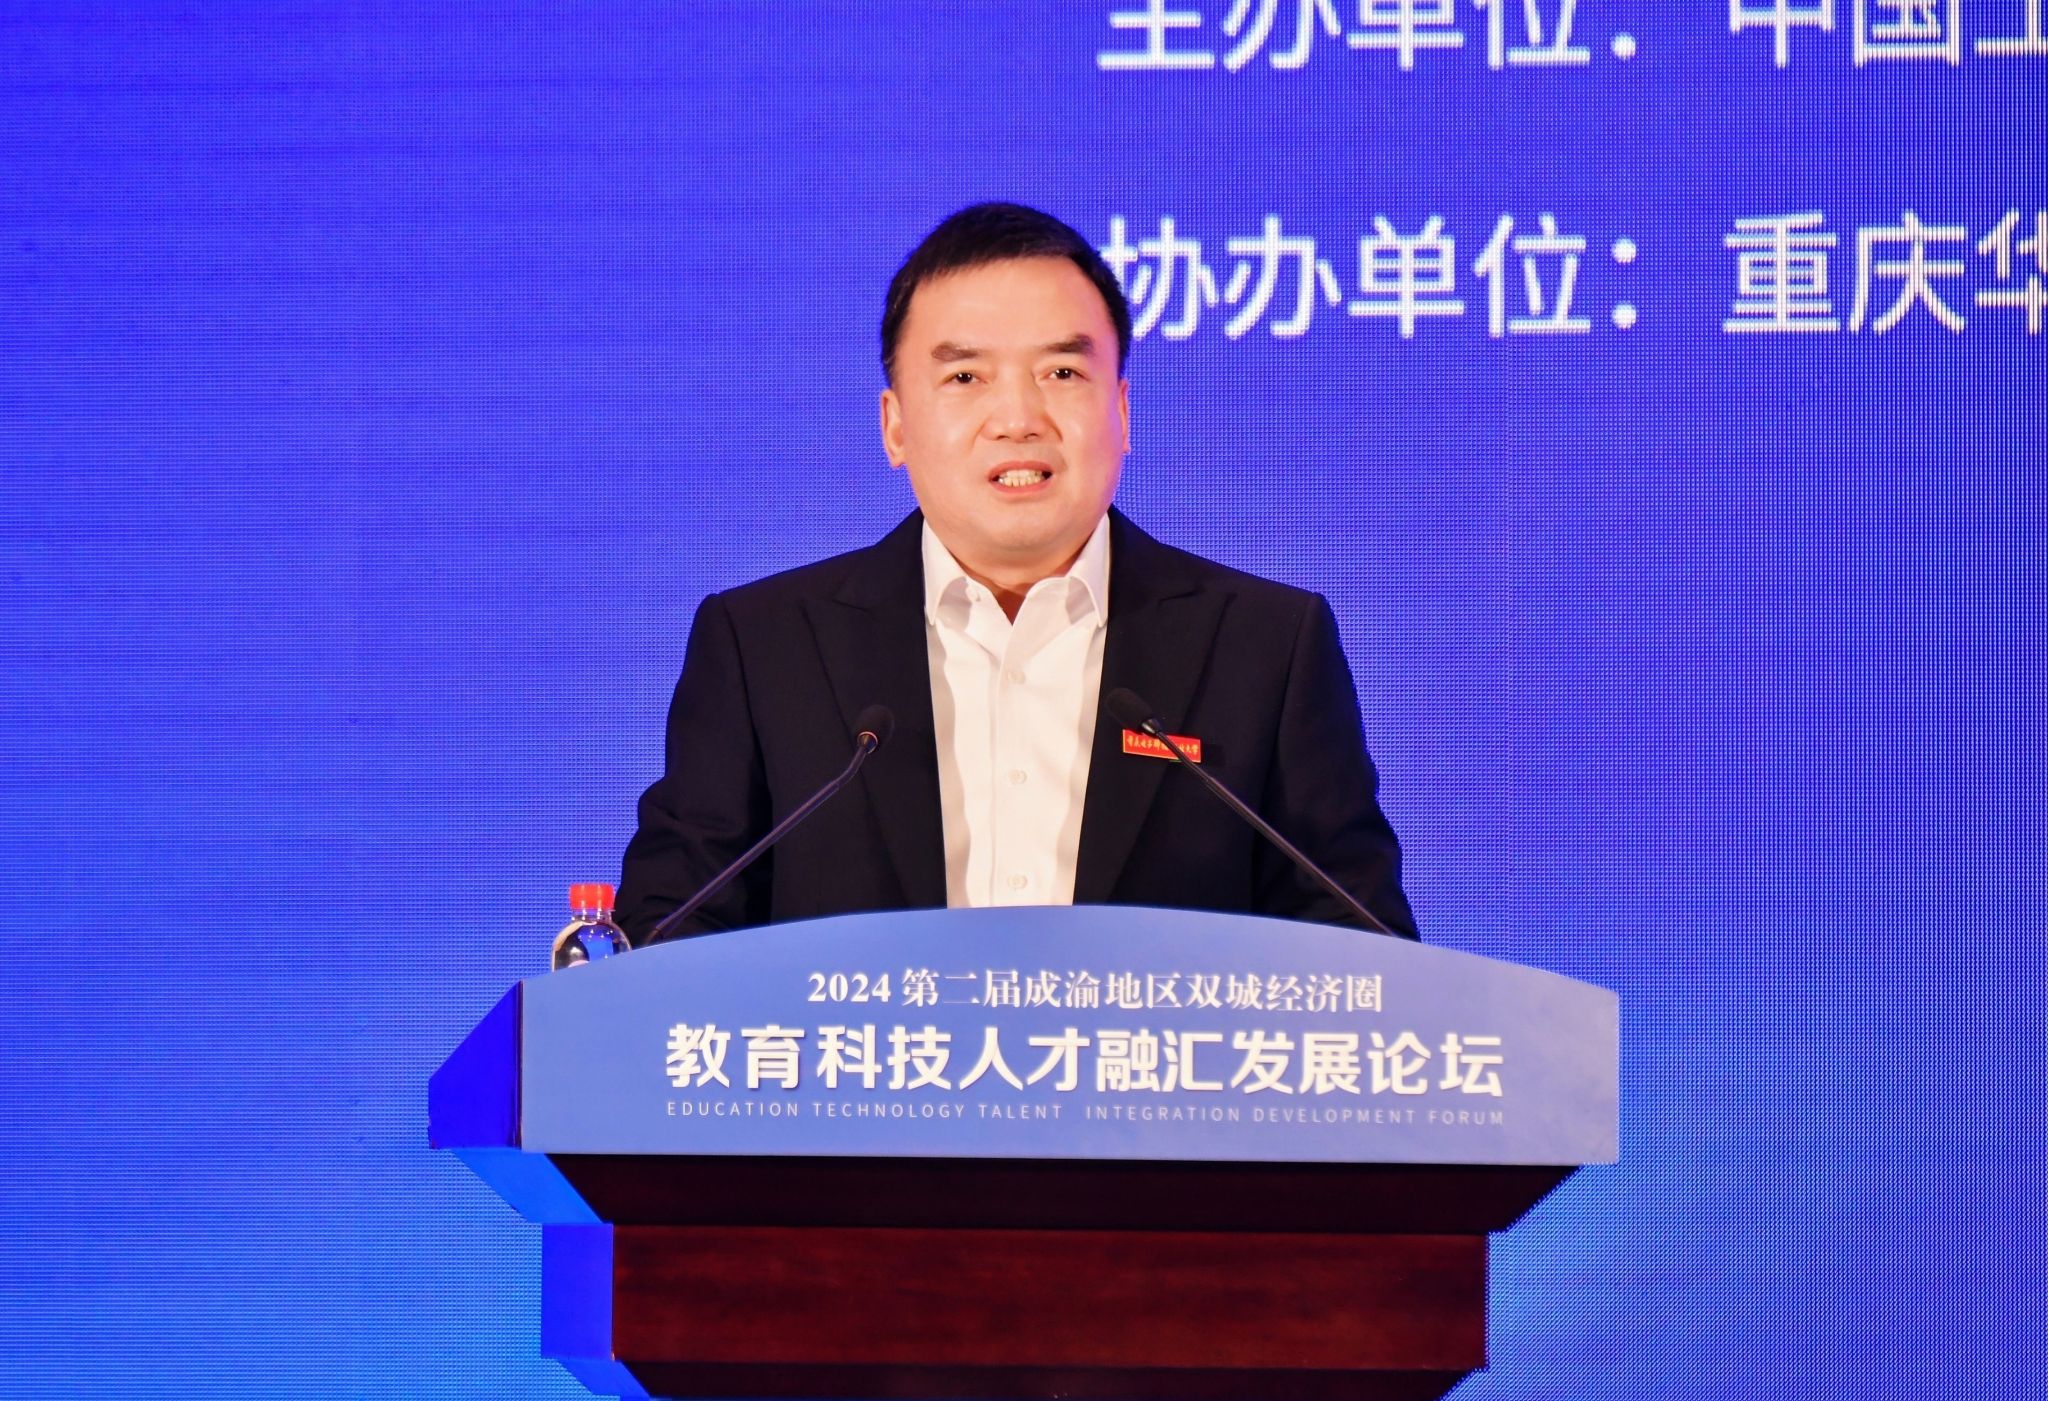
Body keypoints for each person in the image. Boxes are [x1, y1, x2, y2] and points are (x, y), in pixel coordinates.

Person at [616, 202, 1416, 944]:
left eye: (1061, 373)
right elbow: (663, 943)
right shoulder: (765, 648)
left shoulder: (1265, 646)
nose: (1019, 418)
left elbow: (1367, 959)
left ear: (1122, 412)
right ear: (895, 426)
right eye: (966, 377)